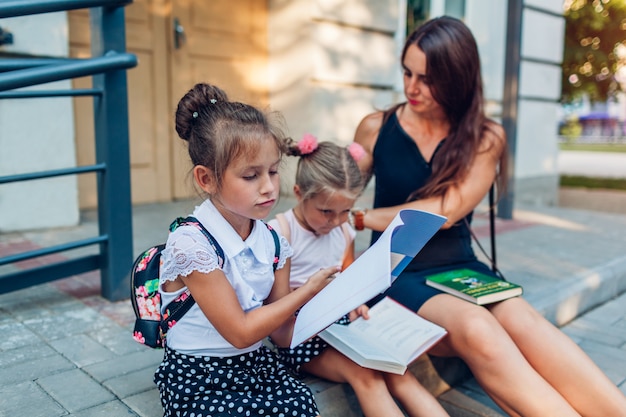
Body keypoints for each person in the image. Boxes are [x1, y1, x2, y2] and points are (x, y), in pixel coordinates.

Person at [351, 16, 626, 417]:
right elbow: (335, 194)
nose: (412, 87)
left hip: (459, 265)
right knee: (478, 328)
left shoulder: (485, 136)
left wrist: (363, 219)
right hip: (395, 270)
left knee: (524, 320)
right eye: (407, 72)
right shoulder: (375, 128)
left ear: (457, 79)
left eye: (427, 78)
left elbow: (445, 213)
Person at [153, 83, 340, 417]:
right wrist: (307, 290)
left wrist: (334, 301)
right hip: (199, 375)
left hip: (255, 364)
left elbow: (281, 335)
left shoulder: (272, 242)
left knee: (300, 405)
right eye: (251, 175)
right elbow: (240, 333)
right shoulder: (191, 243)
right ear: (206, 179)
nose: (268, 187)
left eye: (272, 171)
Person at [268, 134, 449, 417]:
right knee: (368, 376)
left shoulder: (343, 231)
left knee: (398, 370)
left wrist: (356, 303)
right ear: (300, 193)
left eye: (346, 211)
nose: (336, 220)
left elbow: (350, 279)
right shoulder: (281, 233)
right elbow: (272, 308)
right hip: (302, 336)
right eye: (326, 211)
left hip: (344, 328)